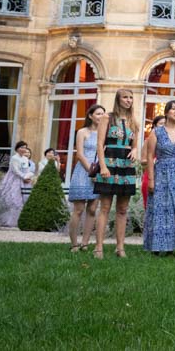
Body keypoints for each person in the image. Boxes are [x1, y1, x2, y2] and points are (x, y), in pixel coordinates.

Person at [142, 100, 175, 255]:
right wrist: (151, 180)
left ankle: (172, 247)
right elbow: (150, 156)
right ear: (166, 112)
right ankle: (157, 246)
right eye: (173, 109)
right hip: (161, 173)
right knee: (160, 208)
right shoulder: (156, 132)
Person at [93, 89, 139, 259]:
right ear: (118, 99)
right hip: (110, 163)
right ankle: (98, 248)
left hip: (126, 165)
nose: (129, 100)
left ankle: (120, 248)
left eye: (131, 97)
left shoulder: (133, 120)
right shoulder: (107, 117)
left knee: (122, 209)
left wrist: (134, 150)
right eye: (125, 97)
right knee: (104, 207)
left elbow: (135, 144)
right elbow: (100, 144)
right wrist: (103, 166)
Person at [67, 105, 103, 252]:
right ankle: (74, 244)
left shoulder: (104, 134)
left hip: (98, 172)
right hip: (83, 171)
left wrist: (99, 172)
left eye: (103, 114)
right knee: (79, 209)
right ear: (90, 116)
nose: (101, 116)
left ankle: (85, 243)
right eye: (98, 113)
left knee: (93, 209)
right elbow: (80, 154)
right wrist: (91, 171)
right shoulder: (82, 132)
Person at [0, 140, 34, 227]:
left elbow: (27, 169)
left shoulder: (25, 158)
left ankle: (20, 220)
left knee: (24, 199)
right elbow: (15, 170)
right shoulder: (14, 158)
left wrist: (28, 176)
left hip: (24, 180)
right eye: (21, 147)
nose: (23, 149)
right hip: (14, 180)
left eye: (25, 147)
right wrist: (24, 177)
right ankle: (8, 221)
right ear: (17, 149)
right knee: (13, 199)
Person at [141, 115, 165, 209]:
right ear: (155, 126)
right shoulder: (148, 140)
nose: (163, 126)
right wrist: (154, 161)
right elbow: (143, 161)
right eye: (161, 124)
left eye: (165, 124)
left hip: (165, 177)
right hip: (151, 176)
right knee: (150, 209)